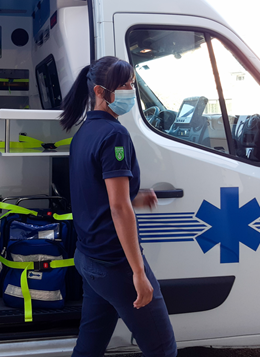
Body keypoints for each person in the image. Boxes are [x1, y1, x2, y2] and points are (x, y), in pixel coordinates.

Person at [60, 56, 177, 357]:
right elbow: (117, 208)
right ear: (101, 91)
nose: (130, 90)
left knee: (90, 344)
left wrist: (135, 197)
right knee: (163, 349)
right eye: (124, 85)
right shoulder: (114, 134)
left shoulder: (84, 133)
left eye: (132, 84)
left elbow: (94, 193)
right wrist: (138, 273)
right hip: (115, 265)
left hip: (89, 259)